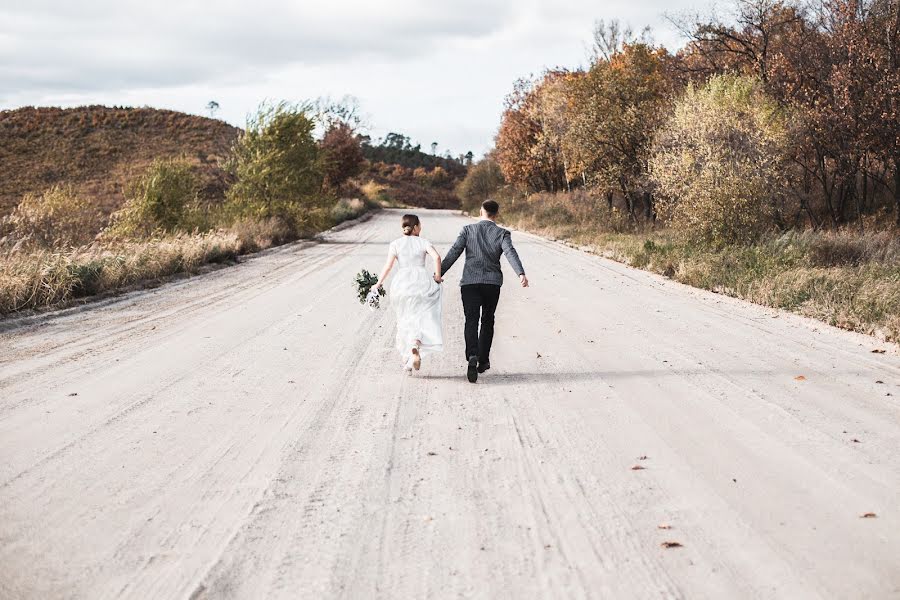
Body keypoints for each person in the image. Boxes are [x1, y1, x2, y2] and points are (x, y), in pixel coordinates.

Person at [441, 199, 528, 383]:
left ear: (481, 211)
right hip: (492, 284)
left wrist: (439, 272)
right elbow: (510, 252)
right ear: (496, 214)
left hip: (470, 283)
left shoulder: (467, 230)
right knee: (487, 319)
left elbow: (454, 251)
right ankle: (483, 360)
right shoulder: (502, 233)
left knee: (471, 320)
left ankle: (472, 354)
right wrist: (520, 273)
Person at [373, 214, 444, 372]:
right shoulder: (423, 242)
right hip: (422, 282)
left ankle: (408, 358)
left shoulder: (396, 244)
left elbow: (388, 266)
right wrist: (437, 277)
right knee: (421, 317)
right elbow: (437, 257)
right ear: (416, 227)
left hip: (402, 284)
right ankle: (415, 346)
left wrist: (378, 283)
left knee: (404, 318)